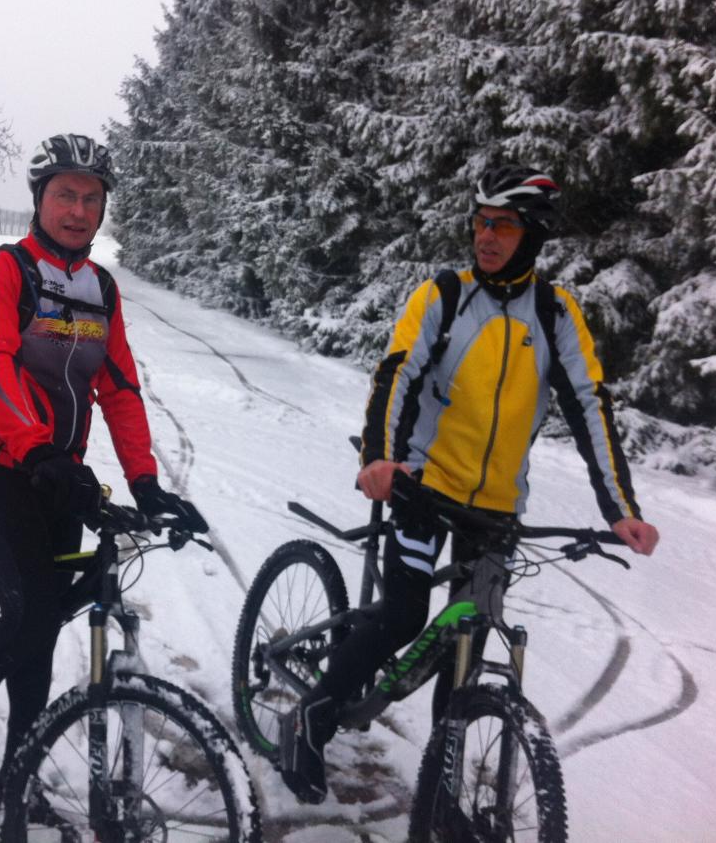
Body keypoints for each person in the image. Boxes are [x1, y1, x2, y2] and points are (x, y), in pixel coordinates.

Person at [277, 164, 661, 804]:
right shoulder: (446, 296)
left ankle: (442, 785)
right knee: (403, 616)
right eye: (481, 221)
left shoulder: (555, 314)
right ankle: (311, 717)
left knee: (466, 647)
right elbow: (397, 376)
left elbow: (590, 407)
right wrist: (381, 459)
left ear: (533, 234)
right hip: (423, 488)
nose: (486, 235)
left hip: (497, 508)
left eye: (503, 225)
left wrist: (621, 509)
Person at [0, 133, 204, 841]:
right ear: (39, 200)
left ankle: (17, 776)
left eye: (91, 198)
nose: (78, 210)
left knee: (41, 630)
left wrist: (145, 482)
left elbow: (119, 387)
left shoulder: (100, 289)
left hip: (58, 471)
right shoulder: (4, 270)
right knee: (28, 614)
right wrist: (39, 449)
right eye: (65, 195)